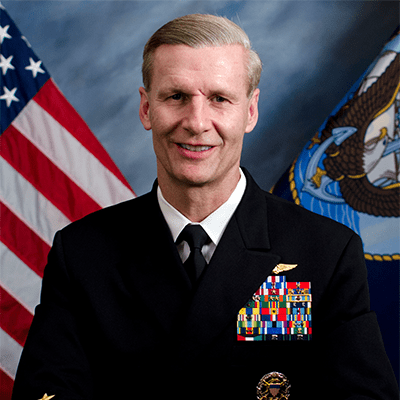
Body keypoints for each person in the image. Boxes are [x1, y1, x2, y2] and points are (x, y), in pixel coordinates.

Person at [12, 14, 397, 400]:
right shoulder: (82, 254)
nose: (197, 123)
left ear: (250, 111)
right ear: (146, 109)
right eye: (176, 97)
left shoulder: (325, 252)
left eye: (219, 99)